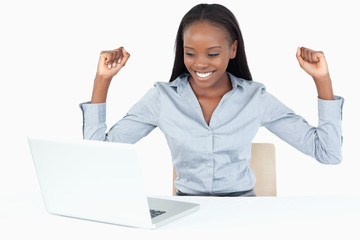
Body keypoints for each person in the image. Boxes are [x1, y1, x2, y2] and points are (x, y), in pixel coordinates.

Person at [80, 4, 343, 197]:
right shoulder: (162, 98)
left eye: (213, 53)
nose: (200, 64)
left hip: (243, 211)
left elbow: (328, 153)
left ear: (232, 50)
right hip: (186, 212)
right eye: (190, 53)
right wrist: (102, 80)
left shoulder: (255, 98)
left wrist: (322, 80)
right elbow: (97, 155)